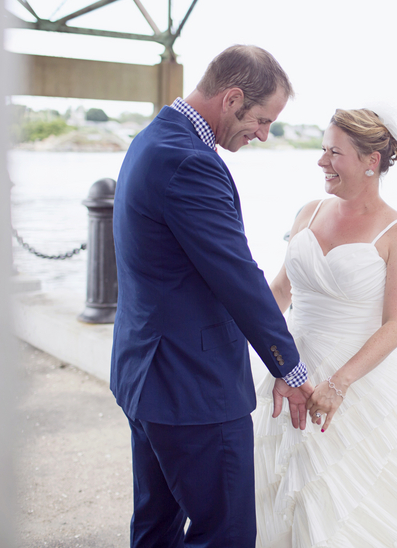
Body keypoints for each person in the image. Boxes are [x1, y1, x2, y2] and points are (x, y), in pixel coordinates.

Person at [111, 44, 314, 548]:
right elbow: (237, 276)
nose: (263, 135)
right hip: (190, 388)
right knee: (225, 533)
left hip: (148, 375)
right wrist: (290, 367)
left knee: (156, 528)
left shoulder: (153, 139)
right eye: (262, 120)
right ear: (232, 98)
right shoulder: (189, 161)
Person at [252, 108, 397, 547]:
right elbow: (280, 289)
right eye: (322, 150)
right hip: (291, 371)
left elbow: (396, 326)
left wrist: (338, 384)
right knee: (279, 496)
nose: (321, 162)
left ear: (371, 161)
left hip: (356, 384)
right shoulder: (309, 212)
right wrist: (257, 344)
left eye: (334, 152)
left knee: (348, 509)